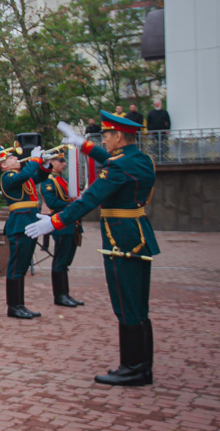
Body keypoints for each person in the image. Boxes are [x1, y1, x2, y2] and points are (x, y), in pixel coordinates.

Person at [26, 112, 159, 386]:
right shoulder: (141, 160)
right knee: (138, 304)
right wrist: (82, 145)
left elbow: (91, 199)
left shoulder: (118, 167)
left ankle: (133, 367)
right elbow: (112, 161)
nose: (105, 141)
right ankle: (142, 365)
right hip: (138, 234)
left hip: (121, 239)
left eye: (107, 136)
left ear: (119, 137)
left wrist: (55, 222)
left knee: (126, 305)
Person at [0, 144, 50, 319]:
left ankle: (20, 304)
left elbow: (39, 175)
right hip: (19, 223)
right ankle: (13, 306)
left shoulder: (21, 176)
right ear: (4, 165)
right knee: (16, 266)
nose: (16, 159)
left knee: (23, 265)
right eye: (11, 158)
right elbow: (27, 174)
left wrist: (45, 164)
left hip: (29, 220)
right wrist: (34, 159)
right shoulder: (7, 176)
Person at [38, 150, 84, 307]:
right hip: (61, 224)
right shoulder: (49, 181)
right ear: (51, 162)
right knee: (60, 260)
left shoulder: (62, 180)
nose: (64, 164)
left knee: (65, 262)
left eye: (64, 161)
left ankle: (66, 294)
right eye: (60, 161)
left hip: (71, 223)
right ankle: (59, 295)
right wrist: (73, 205)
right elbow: (52, 202)